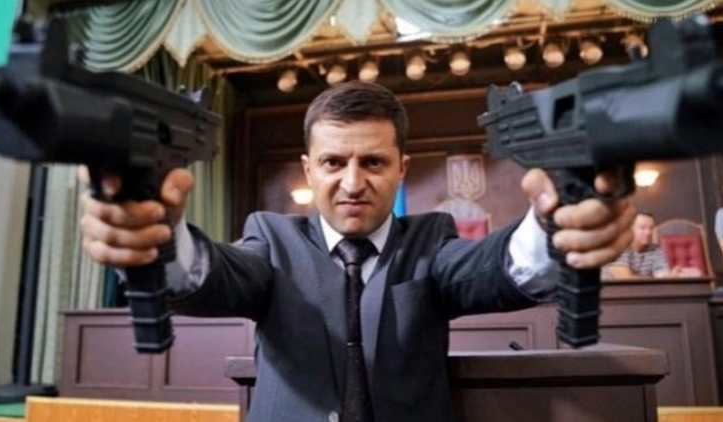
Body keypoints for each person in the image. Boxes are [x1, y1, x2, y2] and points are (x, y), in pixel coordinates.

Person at [79, 81, 634, 422]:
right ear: (308, 169)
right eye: (333, 162)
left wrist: (553, 224)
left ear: (401, 169)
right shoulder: (270, 237)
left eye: (372, 162)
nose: (352, 182)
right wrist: (159, 235)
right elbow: (218, 274)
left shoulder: (432, 239)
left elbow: (494, 267)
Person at [604, 211, 698, 278]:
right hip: (610, 296)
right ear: (630, 229)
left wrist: (672, 275)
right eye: (642, 228)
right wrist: (653, 279)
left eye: (651, 228)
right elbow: (625, 279)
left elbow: (662, 276)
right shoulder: (619, 246)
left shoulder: (655, 250)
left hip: (638, 295)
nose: (648, 232)